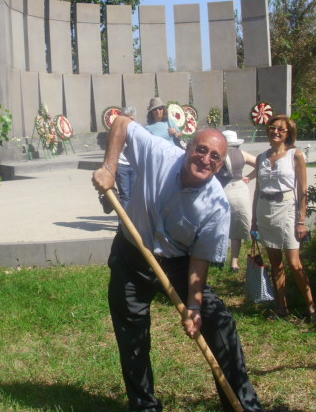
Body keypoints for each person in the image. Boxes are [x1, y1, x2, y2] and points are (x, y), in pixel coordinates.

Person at [92, 116, 267, 412]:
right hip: (131, 256)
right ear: (188, 147)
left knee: (220, 323)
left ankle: (243, 405)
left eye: (215, 156)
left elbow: (199, 260)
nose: (206, 159)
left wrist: (194, 307)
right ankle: (144, 406)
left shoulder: (216, 207)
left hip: (178, 264)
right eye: (201, 150)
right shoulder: (159, 153)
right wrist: (109, 168)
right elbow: (121, 123)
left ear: (221, 165)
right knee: (132, 337)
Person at [250, 114, 316, 324]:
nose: (276, 132)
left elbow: (303, 190)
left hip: (287, 209)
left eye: (281, 129)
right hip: (265, 209)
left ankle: (312, 308)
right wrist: (254, 220)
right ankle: (282, 307)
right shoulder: (261, 158)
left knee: (294, 262)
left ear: (289, 133)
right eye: (272, 128)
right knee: (275, 262)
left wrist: (301, 220)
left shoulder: (295, 155)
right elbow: (257, 189)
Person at [216, 130, 257, 271]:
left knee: (219, 226)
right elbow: (260, 164)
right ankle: (234, 261)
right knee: (237, 228)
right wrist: (249, 177)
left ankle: (218, 257)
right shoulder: (242, 154)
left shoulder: (218, 154)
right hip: (239, 190)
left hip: (222, 190)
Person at [116, 106, 137, 209]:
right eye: (128, 118)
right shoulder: (117, 131)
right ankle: (124, 219)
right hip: (121, 165)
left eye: (132, 119)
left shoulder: (137, 130)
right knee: (125, 196)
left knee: (134, 195)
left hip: (133, 165)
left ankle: (133, 218)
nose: (131, 121)